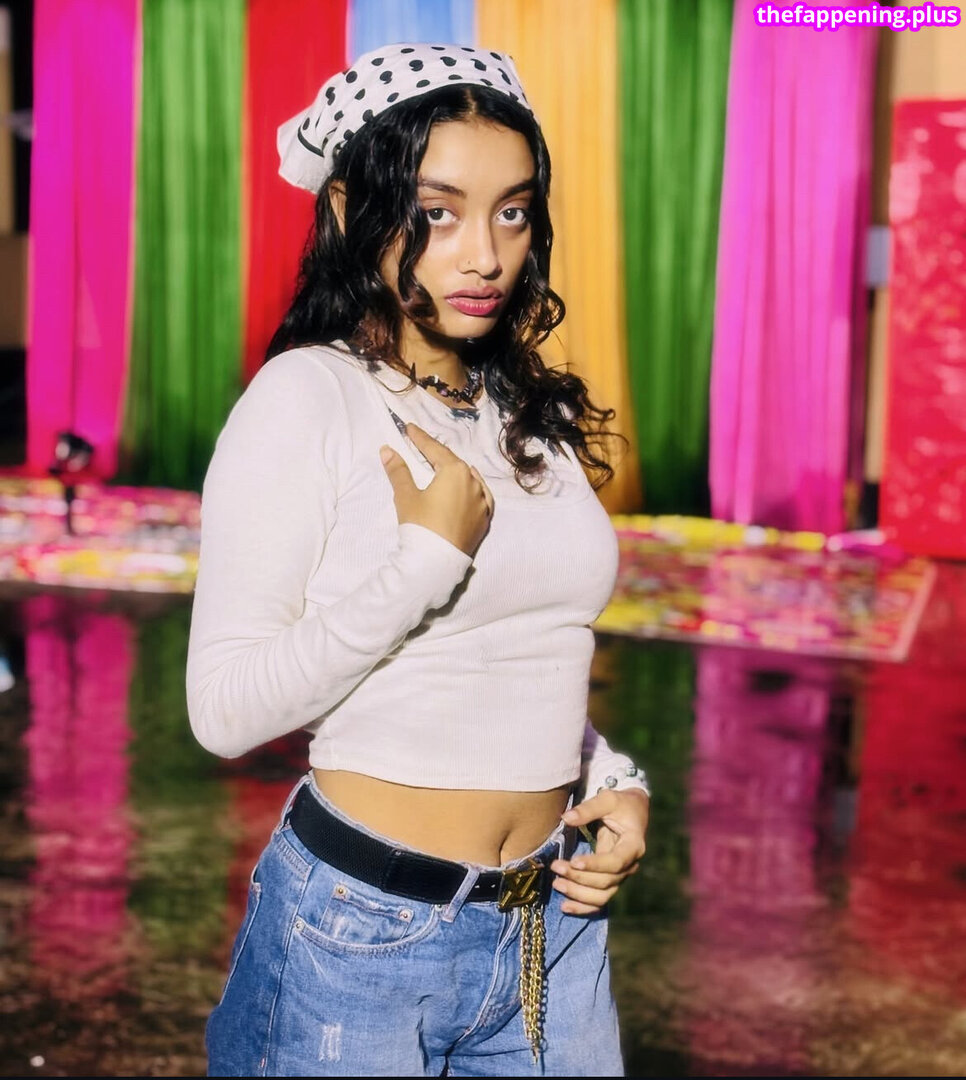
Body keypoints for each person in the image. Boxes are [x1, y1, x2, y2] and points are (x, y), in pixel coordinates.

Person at [186, 42, 650, 1078]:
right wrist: (424, 561)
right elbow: (223, 712)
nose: (485, 254)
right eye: (437, 212)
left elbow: (510, 651)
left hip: (549, 924)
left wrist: (614, 781)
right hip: (360, 935)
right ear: (352, 210)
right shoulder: (308, 398)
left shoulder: (521, 407)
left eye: (513, 211)